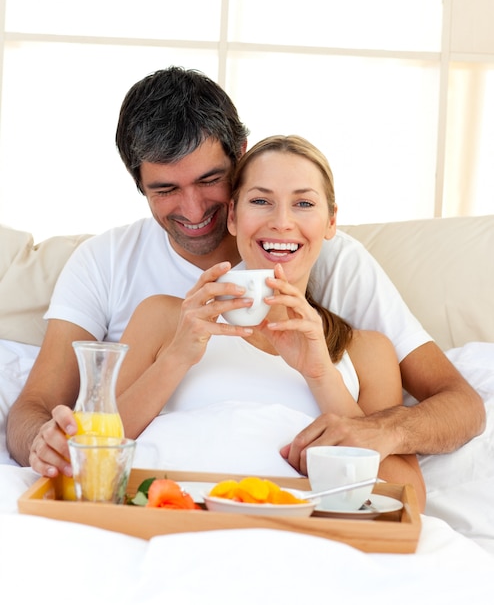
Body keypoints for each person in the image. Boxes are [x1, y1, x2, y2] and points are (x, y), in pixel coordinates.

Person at [6, 66, 484, 479]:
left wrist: (377, 429)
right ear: (140, 184)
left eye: (210, 180)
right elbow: (39, 410)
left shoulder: (327, 259)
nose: (193, 209)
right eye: (165, 189)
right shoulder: (108, 266)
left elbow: (454, 407)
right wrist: (46, 445)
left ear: (240, 154)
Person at [114, 134, 426, 509]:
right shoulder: (164, 318)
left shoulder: (367, 352)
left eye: (304, 203)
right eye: (261, 201)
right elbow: (91, 454)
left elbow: (408, 499)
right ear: (232, 216)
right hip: (176, 520)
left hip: (299, 533)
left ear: (330, 222)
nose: (281, 222)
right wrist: (177, 358)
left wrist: (320, 375)